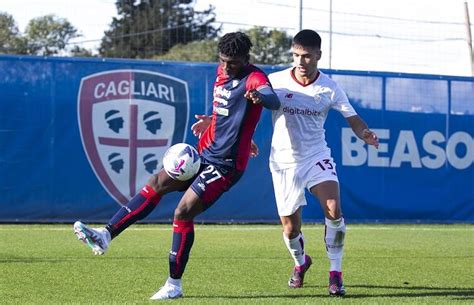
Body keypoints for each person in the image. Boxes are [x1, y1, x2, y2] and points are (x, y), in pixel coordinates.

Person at [73, 32, 280, 300]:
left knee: (183, 212)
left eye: (233, 63)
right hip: (205, 153)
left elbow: (272, 99)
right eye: (223, 61)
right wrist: (211, 121)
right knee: (156, 183)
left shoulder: (254, 78)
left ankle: (174, 285)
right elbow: (226, 110)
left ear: (245, 59)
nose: (227, 67)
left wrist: (261, 97)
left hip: (226, 165)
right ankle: (105, 235)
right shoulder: (222, 72)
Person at [267, 29, 379, 296]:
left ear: (318, 55)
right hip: (283, 162)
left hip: (316, 156)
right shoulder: (276, 81)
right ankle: (300, 263)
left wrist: (364, 132)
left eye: (306, 56)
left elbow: (352, 117)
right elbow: (248, 109)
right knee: (291, 227)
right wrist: (246, 138)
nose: (300, 62)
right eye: (296, 55)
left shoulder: (330, 87)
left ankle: (336, 273)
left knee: (333, 208)